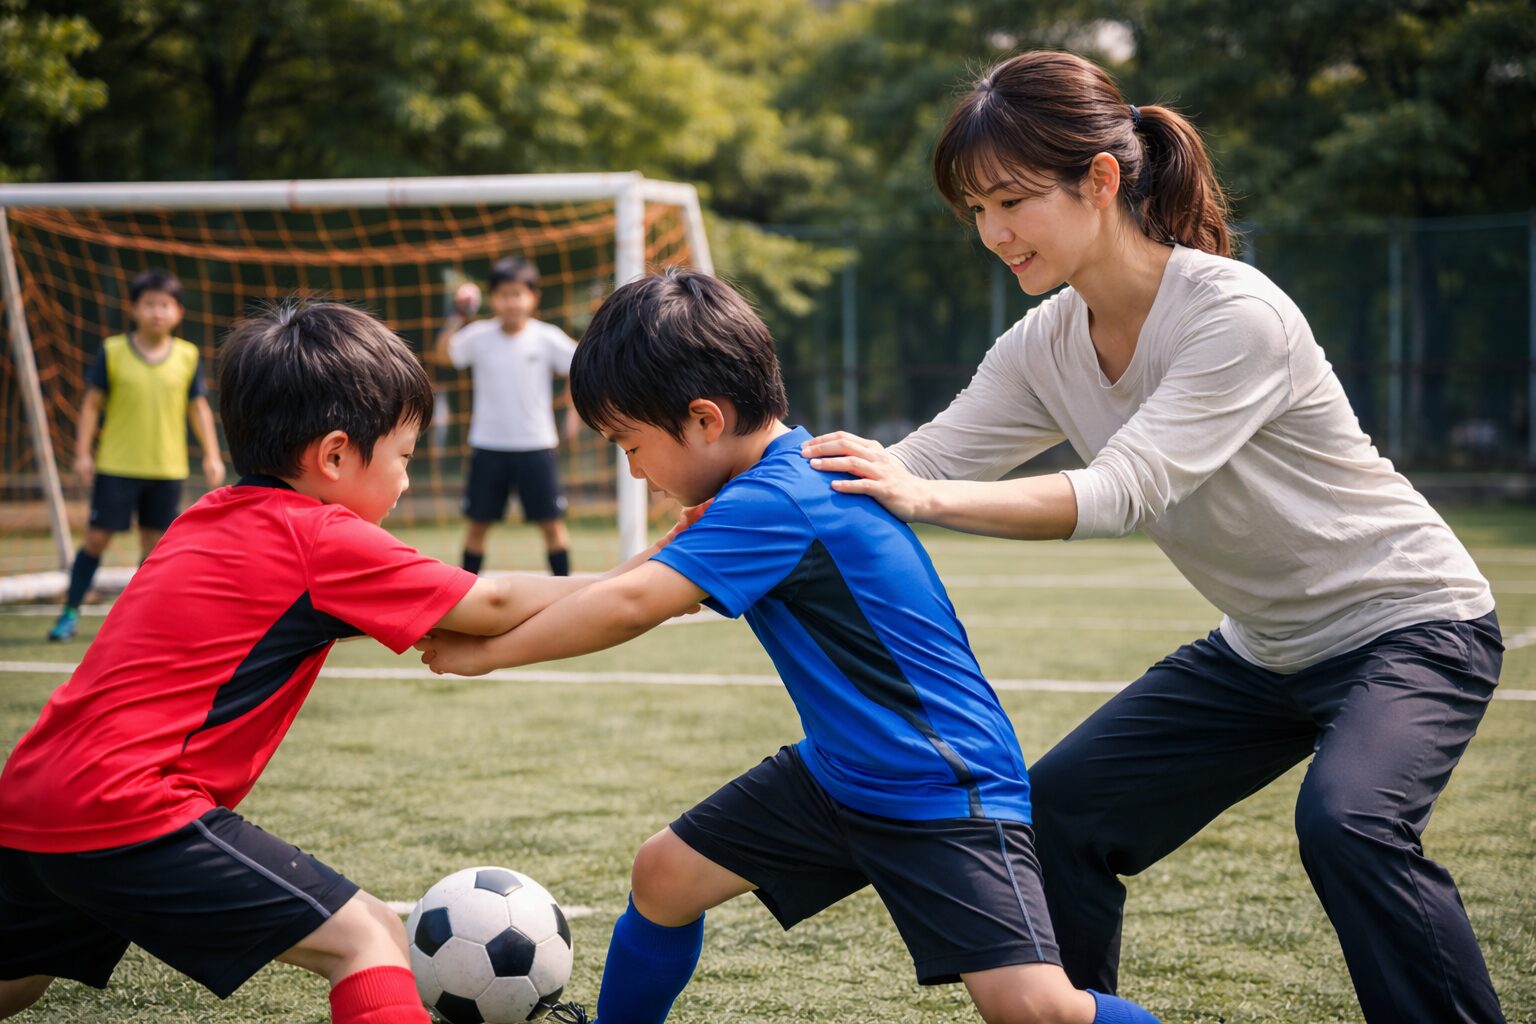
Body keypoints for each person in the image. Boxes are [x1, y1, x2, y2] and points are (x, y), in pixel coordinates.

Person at [799, 50, 1504, 1024]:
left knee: (1350, 823)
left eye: (1011, 200)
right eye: (975, 210)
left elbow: (1123, 490)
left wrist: (922, 497)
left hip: (1413, 624)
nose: (993, 232)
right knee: (1059, 817)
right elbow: (922, 456)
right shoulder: (1045, 343)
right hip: (1266, 651)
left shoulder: (1235, 313)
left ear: (1101, 179)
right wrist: (749, 490)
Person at [417, 269, 1162, 1024]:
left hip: (938, 783)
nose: (633, 469)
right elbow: (615, 581)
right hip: (843, 771)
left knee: (1037, 1012)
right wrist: (470, 616)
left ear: (705, 419)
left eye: (630, 445)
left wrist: (490, 652)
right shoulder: (766, 487)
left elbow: (632, 605)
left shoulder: (780, 501)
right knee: (665, 875)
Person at [0, 301, 663, 1024]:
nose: (408, 480)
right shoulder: (319, 538)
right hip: (127, 804)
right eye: (404, 456)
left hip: (30, 797)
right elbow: (493, 602)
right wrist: (652, 571)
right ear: (337, 455)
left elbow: (441, 628)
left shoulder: (211, 514)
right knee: (368, 939)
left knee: (18, 977)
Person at [47, 267, 225, 642]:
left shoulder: (187, 356)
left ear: (178, 312)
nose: (157, 312)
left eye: (165, 305)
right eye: (149, 304)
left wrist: (212, 455)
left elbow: (198, 409)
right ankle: (69, 611)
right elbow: (92, 405)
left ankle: (146, 621)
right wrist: (82, 453)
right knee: (97, 538)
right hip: (117, 466)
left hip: (166, 469)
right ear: (133, 309)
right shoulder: (113, 352)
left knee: (155, 548)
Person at [436, 256, 581, 578]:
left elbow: (581, 364)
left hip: (536, 446)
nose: (512, 301)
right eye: (504, 294)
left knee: (551, 524)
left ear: (533, 297)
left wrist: (575, 410)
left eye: (518, 293)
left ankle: (565, 590)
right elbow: (444, 353)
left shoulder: (547, 337)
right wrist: (458, 315)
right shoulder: (478, 335)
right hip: (488, 447)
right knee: (478, 525)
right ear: (492, 298)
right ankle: (466, 592)